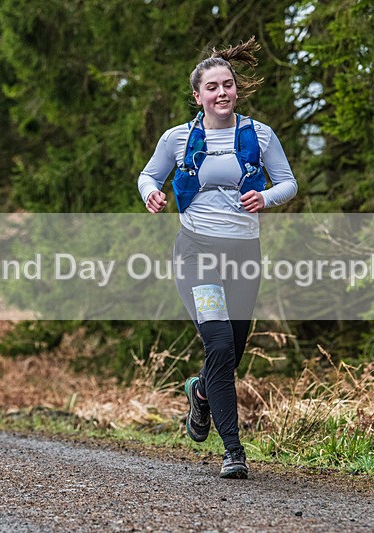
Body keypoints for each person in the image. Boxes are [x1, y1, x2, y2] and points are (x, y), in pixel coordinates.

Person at [138, 37, 297, 478]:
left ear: (236, 89)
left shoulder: (260, 135)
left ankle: (202, 392)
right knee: (220, 345)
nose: (222, 92)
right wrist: (151, 191)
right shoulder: (178, 137)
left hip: (245, 253)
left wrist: (264, 197)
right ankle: (233, 451)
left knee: (232, 352)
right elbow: (149, 174)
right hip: (197, 255)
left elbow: (288, 183)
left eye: (228, 84)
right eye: (213, 87)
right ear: (198, 95)